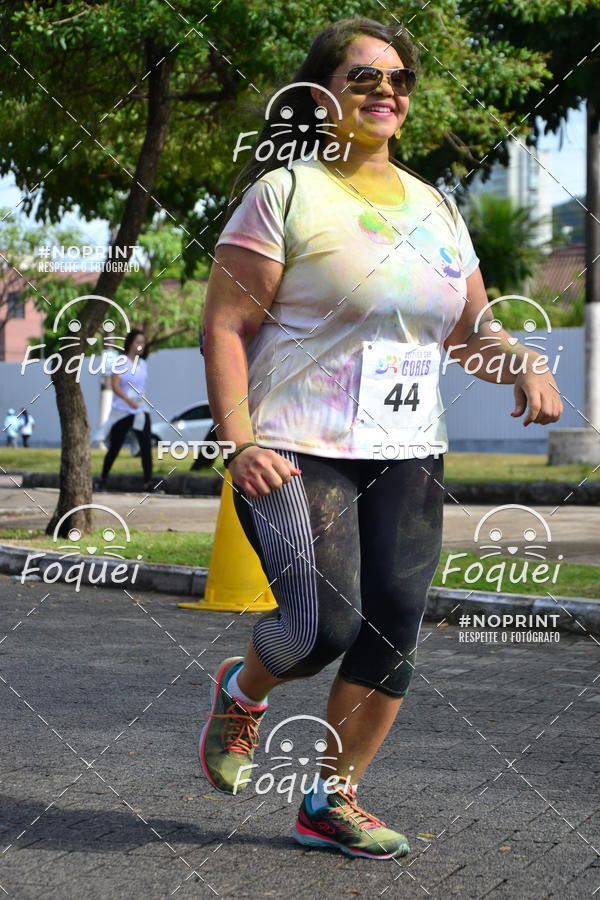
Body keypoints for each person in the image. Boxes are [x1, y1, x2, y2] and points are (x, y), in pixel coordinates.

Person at [198, 17, 563, 860]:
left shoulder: (436, 207)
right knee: (324, 624)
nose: (386, 93)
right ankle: (245, 690)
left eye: (398, 80)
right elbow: (224, 324)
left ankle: (331, 801)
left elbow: (469, 330)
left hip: (407, 448)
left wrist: (522, 365)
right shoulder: (286, 193)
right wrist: (239, 440)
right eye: (364, 78)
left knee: (393, 626)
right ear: (322, 94)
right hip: (295, 443)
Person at [96, 329, 154, 492]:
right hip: (122, 411)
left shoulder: (143, 364)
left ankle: (148, 482)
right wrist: (128, 401)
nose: (140, 345)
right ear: (130, 343)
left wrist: (139, 402)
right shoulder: (121, 361)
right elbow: (115, 386)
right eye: (137, 342)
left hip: (140, 410)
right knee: (115, 447)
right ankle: (103, 479)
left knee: (145, 446)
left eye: (142, 342)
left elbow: (141, 387)